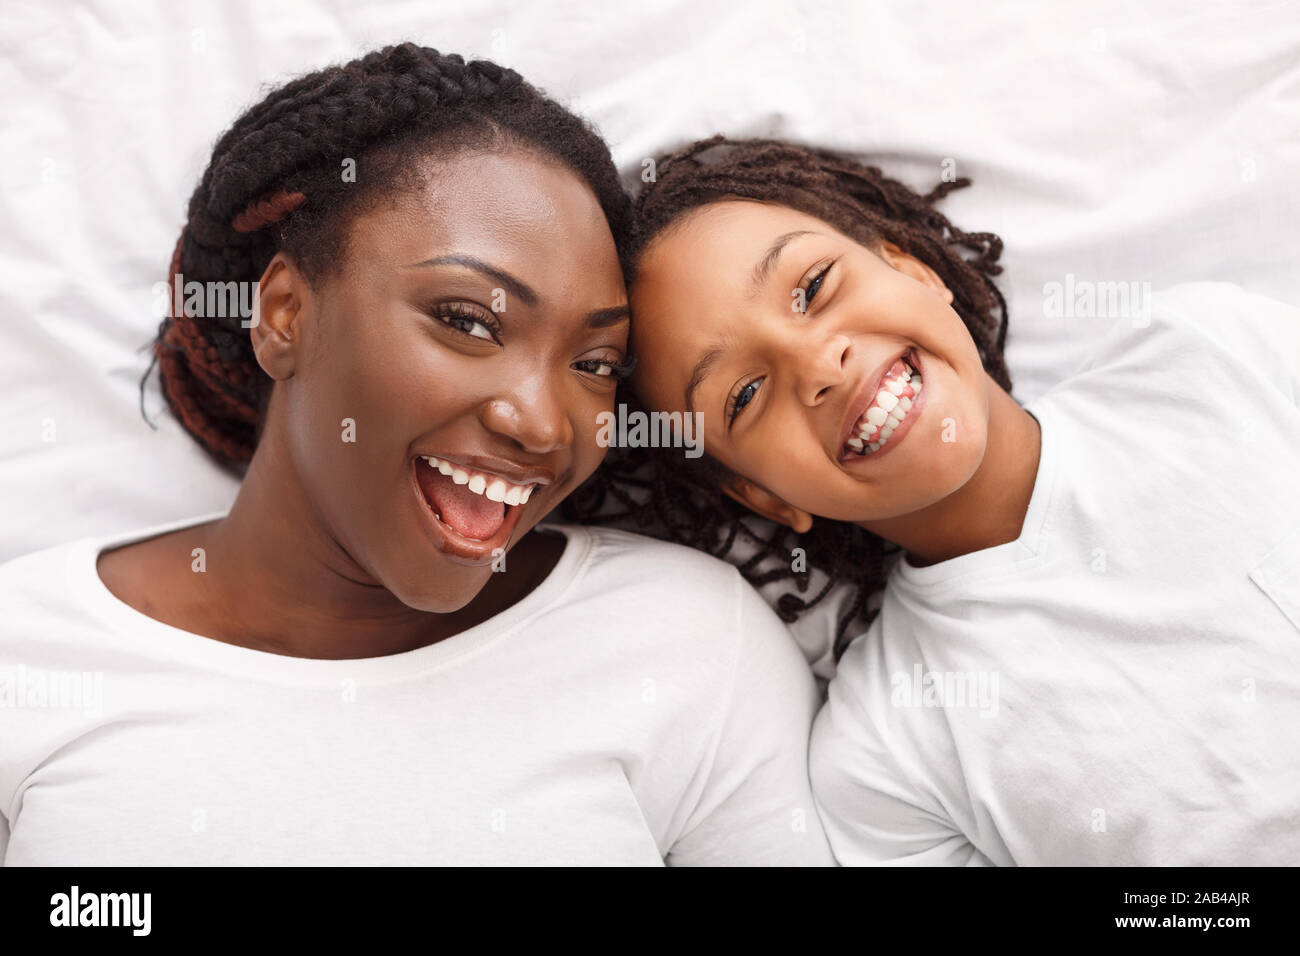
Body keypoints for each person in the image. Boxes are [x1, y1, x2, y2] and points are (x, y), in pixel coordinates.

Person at [0, 52, 833, 867]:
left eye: (595, 365)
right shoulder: (27, 657)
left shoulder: (687, 649)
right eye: (468, 321)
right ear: (286, 313)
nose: (543, 424)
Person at [573, 134, 1300, 864]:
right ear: (763, 496)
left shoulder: (1211, 358)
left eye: (814, 288)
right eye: (746, 394)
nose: (820, 364)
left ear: (913, 267)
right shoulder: (883, 760)